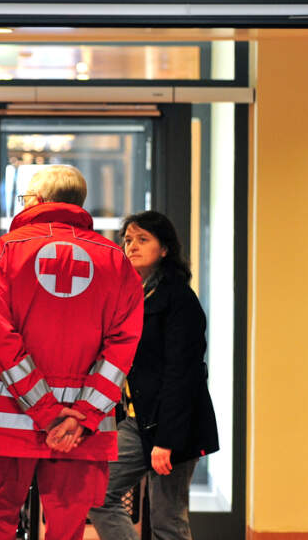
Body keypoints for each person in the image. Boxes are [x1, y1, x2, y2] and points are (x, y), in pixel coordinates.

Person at [0, 165, 144, 540]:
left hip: (8, 423)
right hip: (80, 432)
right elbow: (121, 351)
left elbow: (3, 344)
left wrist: (47, 413)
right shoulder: (116, 261)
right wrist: (81, 416)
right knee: (67, 528)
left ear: (37, 201)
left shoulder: (3, 253)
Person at [88, 210, 219, 540]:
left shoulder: (180, 301)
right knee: (97, 494)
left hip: (173, 427)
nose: (131, 246)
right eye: (128, 239)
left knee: (167, 522)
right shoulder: (133, 295)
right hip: (137, 421)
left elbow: (182, 375)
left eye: (142, 239)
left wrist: (167, 441)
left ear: (164, 249)